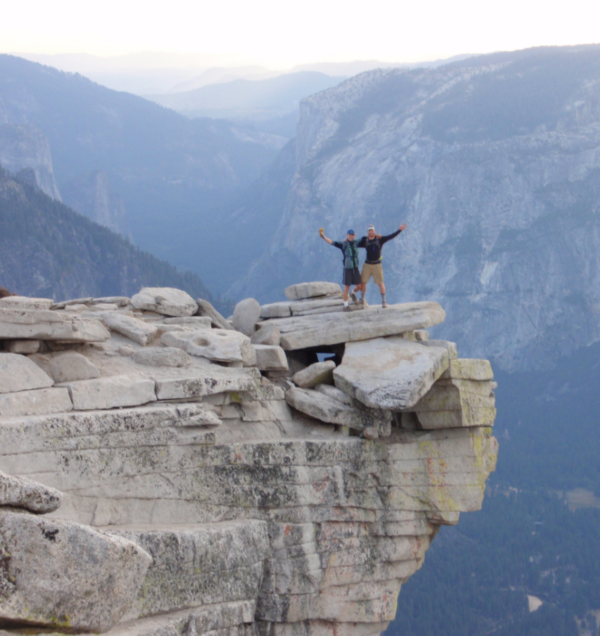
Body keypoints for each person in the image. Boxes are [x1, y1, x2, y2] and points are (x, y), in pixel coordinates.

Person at [354, 223, 407, 308]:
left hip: (377, 265)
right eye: (369, 230)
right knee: (363, 282)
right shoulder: (365, 240)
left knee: (380, 283)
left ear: (374, 231)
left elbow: (391, 236)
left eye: (372, 230)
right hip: (367, 264)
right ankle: (362, 300)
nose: (371, 232)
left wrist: (400, 230)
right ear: (368, 232)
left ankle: (383, 302)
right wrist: (347, 242)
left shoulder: (380, 239)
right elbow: (355, 244)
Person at [319, 227, 362, 310]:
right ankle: (345, 305)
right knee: (347, 287)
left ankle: (352, 293)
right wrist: (323, 237)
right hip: (348, 268)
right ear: (347, 235)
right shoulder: (343, 244)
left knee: (359, 286)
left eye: (352, 235)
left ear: (354, 235)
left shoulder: (356, 242)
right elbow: (332, 242)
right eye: (349, 234)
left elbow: (365, 238)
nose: (351, 236)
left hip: (355, 267)